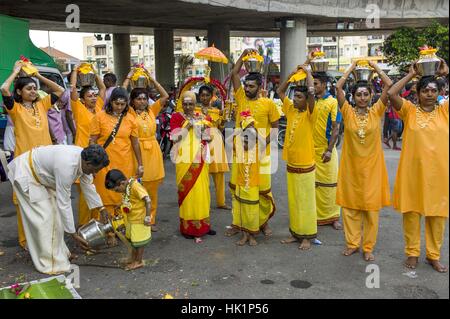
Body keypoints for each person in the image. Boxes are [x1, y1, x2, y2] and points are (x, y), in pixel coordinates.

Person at [7, 144, 110, 274]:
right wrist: (73, 234)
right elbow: (64, 202)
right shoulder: (67, 166)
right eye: (95, 170)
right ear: (88, 163)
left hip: (42, 178)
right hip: (27, 174)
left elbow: (87, 184)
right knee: (46, 220)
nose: (95, 173)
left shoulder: (84, 159)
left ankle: (61, 255)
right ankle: (50, 264)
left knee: (57, 217)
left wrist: (101, 208)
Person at [387, 59, 449, 273]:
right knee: (412, 214)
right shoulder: (409, 111)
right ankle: (412, 253)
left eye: (433, 90)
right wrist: (411, 75)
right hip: (413, 174)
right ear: (418, 93)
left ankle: (434, 255)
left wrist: (446, 73)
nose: (430, 94)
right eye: (425, 90)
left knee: (437, 215)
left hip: (439, 175)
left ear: (439, 92)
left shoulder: (445, 112)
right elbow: (391, 95)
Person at [1, 60, 64, 249]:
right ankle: (25, 240)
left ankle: (46, 236)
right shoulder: (16, 109)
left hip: (45, 162)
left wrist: (37, 76)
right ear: (19, 92)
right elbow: (4, 88)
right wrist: (16, 71)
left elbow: (60, 90)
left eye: (34, 88)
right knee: (25, 202)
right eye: (28, 89)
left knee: (47, 199)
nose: (33, 91)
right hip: (24, 162)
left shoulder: (42, 105)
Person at [335, 60, 392, 262]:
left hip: (373, 169)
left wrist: (374, 67)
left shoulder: (377, 111)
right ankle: (352, 244)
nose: (362, 98)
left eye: (365, 94)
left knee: (370, 210)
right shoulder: (347, 112)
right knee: (350, 208)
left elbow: (389, 85)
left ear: (370, 96)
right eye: (358, 94)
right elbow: (337, 87)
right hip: (351, 168)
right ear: (353, 96)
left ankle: (368, 247)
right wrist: (352, 68)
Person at [227, 49, 279, 238]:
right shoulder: (240, 98)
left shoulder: (268, 104)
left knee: (262, 189)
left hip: (262, 153)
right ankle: (237, 222)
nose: (247, 89)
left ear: (259, 86)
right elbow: (233, 74)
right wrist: (242, 55)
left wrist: (263, 145)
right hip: (240, 150)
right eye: (246, 85)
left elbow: (275, 128)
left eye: (251, 86)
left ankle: (262, 222)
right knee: (238, 187)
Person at [89, 87, 144, 246]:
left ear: (126, 104)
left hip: (125, 163)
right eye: (116, 104)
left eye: (122, 104)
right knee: (105, 198)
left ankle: (123, 229)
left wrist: (140, 164)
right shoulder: (99, 117)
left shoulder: (130, 119)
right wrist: (93, 164)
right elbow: (92, 140)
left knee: (123, 198)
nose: (119, 107)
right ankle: (109, 233)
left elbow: (135, 142)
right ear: (110, 102)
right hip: (103, 165)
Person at [277, 65, 317, 250]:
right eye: (294, 97)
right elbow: (280, 90)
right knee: (294, 201)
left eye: (299, 97)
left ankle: (307, 236)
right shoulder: (291, 110)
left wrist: (308, 73)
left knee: (306, 201)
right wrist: (291, 75)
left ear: (306, 99)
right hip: (291, 163)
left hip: (306, 164)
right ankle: (295, 233)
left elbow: (311, 93)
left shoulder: (311, 113)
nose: (294, 100)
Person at [123, 68, 168, 231]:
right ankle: (136, 218)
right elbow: (121, 92)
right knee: (137, 186)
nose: (142, 101)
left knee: (152, 188)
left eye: (144, 98)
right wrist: (128, 78)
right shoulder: (128, 113)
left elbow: (165, 96)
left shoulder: (151, 111)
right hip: (136, 152)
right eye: (139, 99)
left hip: (153, 151)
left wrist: (151, 78)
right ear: (132, 101)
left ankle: (150, 219)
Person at [170, 91, 216, 243]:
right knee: (188, 193)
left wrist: (206, 136)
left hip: (200, 159)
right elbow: (174, 138)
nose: (188, 107)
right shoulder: (177, 117)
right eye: (185, 103)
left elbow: (209, 137)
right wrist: (187, 127)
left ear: (195, 104)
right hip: (184, 160)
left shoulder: (201, 117)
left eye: (191, 103)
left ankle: (204, 226)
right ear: (181, 104)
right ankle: (188, 228)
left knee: (202, 191)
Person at [309, 52, 342, 230]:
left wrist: (329, 150)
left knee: (330, 185)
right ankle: (314, 215)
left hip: (326, 150)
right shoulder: (311, 101)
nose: (312, 87)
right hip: (311, 150)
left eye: (315, 83)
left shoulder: (333, 102)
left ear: (323, 84)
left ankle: (333, 217)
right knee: (313, 186)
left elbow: (336, 128)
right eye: (312, 83)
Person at [70, 66, 106, 226]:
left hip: (97, 155)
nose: (93, 97)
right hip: (83, 156)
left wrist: (94, 71)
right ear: (82, 99)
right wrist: (76, 73)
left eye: (94, 95)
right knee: (85, 195)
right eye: (89, 96)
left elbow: (103, 87)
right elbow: (72, 89)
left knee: (96, 192)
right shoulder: (78, 108)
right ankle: (84, 226)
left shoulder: (98, 108)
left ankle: (96, 223)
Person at [105, 169, 151, 271]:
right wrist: (121, 204)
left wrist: (148, 217)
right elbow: (131, 200)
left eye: (116, 190)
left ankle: (138, 262)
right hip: (131, 218)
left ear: (122, 183)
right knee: (132, 240)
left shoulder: (134, 186)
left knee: (139, 242)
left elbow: (147, 200)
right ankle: (132, 258)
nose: (117, 192)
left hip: (140, 219)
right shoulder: (126, 187)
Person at [197, 85, 230, 210]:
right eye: (202, 95)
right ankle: (202, 202)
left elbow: (220, 128)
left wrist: (223, 120)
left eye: (207, 95)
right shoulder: (194, 110)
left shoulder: (216, 111)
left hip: (216, 142)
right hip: (201, 142)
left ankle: (221, 202)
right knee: (201, 174)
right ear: (199, 97)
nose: (205, 98)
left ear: (211, 97)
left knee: (219, 174)